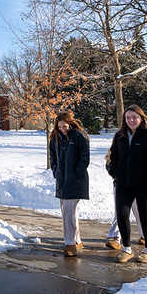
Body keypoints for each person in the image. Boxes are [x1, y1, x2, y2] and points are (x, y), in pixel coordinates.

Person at [107, 104, 147, 263]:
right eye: (128, 118)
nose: (131, 120)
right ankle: (126, 249)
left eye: (134, 117)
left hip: (145, 186)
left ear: (142, 118)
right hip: (123, 185)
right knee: (121, 215)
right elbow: (113, 157)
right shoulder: (120, 136)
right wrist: (113, 171)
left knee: (145, 217)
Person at [48, 110, 90, 257]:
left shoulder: (79, 136)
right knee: (68, 213)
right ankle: (77, 240)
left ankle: (70, 244)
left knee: (67, 210)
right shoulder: (55, 138)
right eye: (60, 127)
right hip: (61, 180)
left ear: (70, 124)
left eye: (65, 126)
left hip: (76, 180)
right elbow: (52, 156)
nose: (62, 129)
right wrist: (55, 171)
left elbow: (84, 159)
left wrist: (75, 174)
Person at [104, 148, 144, 250]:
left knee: (139, 211)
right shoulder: (118, 142)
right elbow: (109, 163)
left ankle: (145, 235)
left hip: (138, 185)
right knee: (120, 212)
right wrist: (116, 175)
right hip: (121, 185)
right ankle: (116, 237)